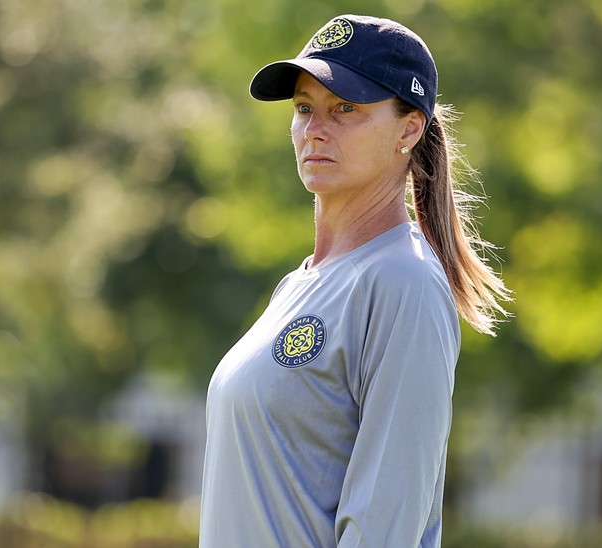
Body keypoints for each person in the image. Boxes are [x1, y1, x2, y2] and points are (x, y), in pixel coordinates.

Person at [199, 14, 511, 548]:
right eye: (304, 108)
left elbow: (384, 530)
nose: (315, 129)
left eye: (346, 108)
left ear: (409, 129)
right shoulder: (297, 286)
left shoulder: (403, 281)